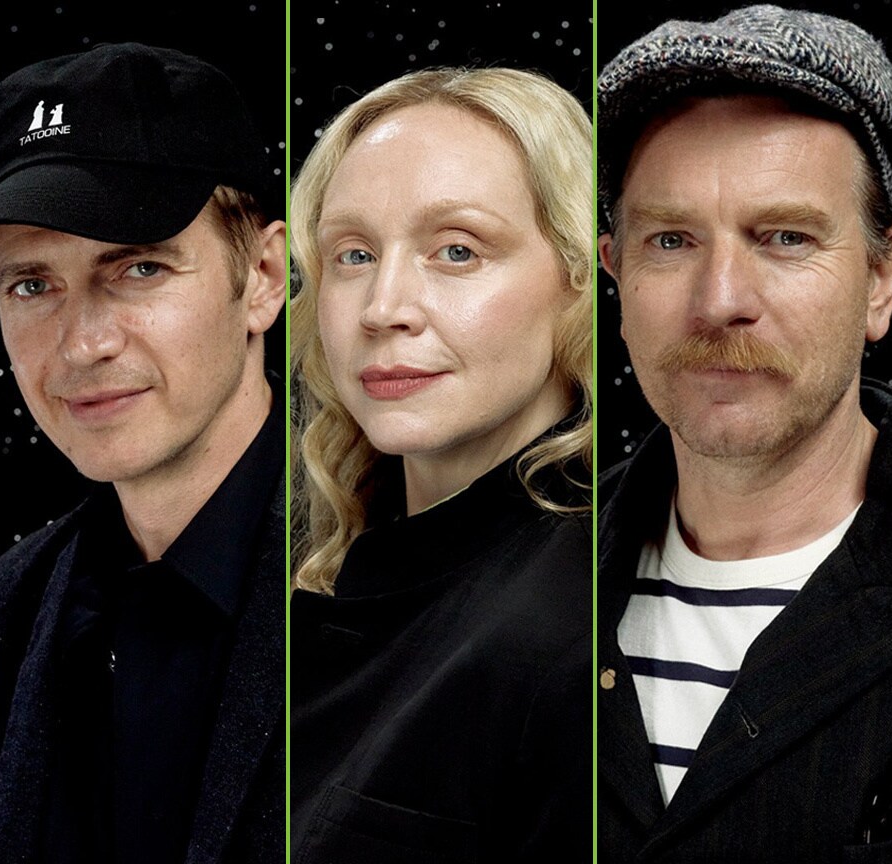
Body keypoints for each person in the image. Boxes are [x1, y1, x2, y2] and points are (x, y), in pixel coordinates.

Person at [596, 6, 892, 859]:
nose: (720, 297)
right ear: (615, 271)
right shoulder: (516, 573)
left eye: (785, 238)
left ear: (881, 279)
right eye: (671, 239)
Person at [0, 42, 287, 864]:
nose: (82, 343)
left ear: (262, 275)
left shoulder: (403, 576)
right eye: (32, 285)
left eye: (139, 268)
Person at [287, 67, 593, 862]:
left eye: (456, 250)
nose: (384, 305)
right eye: (351, 254)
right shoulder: (311, 569)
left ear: (580, 276)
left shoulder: (581, 625)